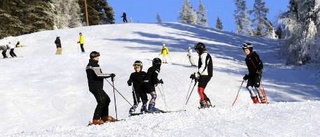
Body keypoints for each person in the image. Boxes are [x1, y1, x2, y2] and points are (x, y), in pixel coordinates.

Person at [86, 51, 116, 125]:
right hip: (95, 86)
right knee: (102, 101)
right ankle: (96, 119)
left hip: (97, 86)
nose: (98, 58)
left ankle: (104, 116)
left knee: (106, 99)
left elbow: (98, 75)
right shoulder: (92, 64)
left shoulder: (93, 64)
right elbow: (99, 75)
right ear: (93, 57)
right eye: (97, 57)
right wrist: (110, 75)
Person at [190, 42, 213, 108]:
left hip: (206, 74)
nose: (196, 51)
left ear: (200, 49)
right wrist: (196, 74)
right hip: (204, 74)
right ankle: (206, 102)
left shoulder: (204, 55)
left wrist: (198, 73)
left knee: (200, 90)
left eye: (197, 50)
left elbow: (204, 66)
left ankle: (204, 103)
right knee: (200, 90)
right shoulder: (203, 55)